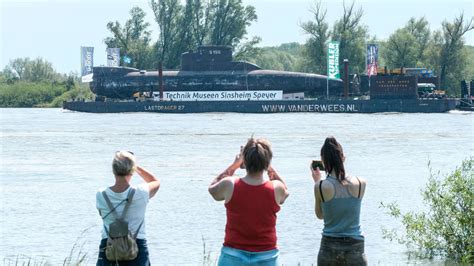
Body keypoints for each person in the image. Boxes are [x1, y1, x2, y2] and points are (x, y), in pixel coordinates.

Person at [209, 138, 289, 265]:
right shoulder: (276, 188)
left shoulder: (230, 184)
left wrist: (235, 164)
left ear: (245, 160)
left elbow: (212, 189)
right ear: (267, 161)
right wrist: (269, 167)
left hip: (233, 255)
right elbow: (286, 191)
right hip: (267, 256)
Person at [96, 151, 160, 266]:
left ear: (113, 170)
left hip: (109, 248)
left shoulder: (101, 195)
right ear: (132, 169)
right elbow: (155, 181)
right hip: (137, 247)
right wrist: (135, 166)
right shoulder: (141, 193)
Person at [311, 137, 367, 265]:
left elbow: (321, 215)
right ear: (343, 158)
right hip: (355, 247)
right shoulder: (361, 183)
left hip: (329, 246)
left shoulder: (320, 186)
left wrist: (317, 182)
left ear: (324, 162)